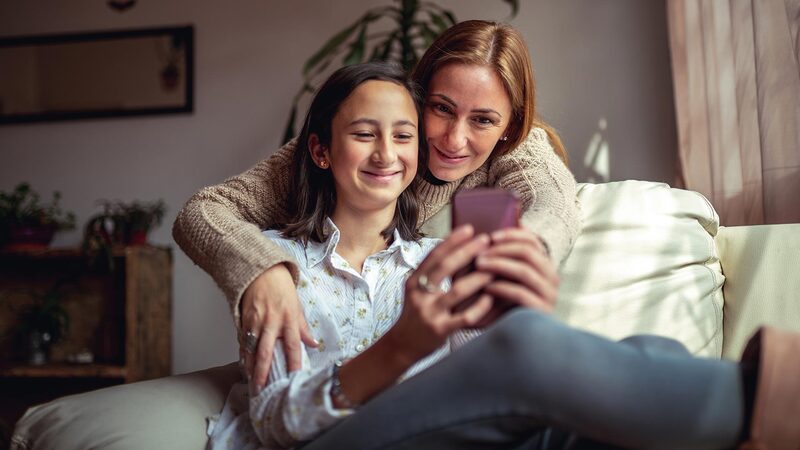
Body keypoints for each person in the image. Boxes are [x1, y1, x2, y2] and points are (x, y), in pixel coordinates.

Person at [205, 62, 799, 450]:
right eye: (364, 133)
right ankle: (773, 395)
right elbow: (277, 423)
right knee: (531, 352)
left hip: (443, 433)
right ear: (319, 150)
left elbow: (496, 372)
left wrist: (517, 311)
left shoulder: (434, 261)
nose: (387, 152)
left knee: (650, 356)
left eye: (404, 135)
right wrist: (403, 347)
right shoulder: (274, 267)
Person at [172, 20, 578, 391]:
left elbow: (554, 204)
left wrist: (528, 254)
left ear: (509, 127)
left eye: (484, 120)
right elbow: (205, 211)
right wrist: (263, 269)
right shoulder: (354, 145)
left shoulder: (517, 150)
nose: (455, 140)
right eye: (441, 108)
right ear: (416, 100)